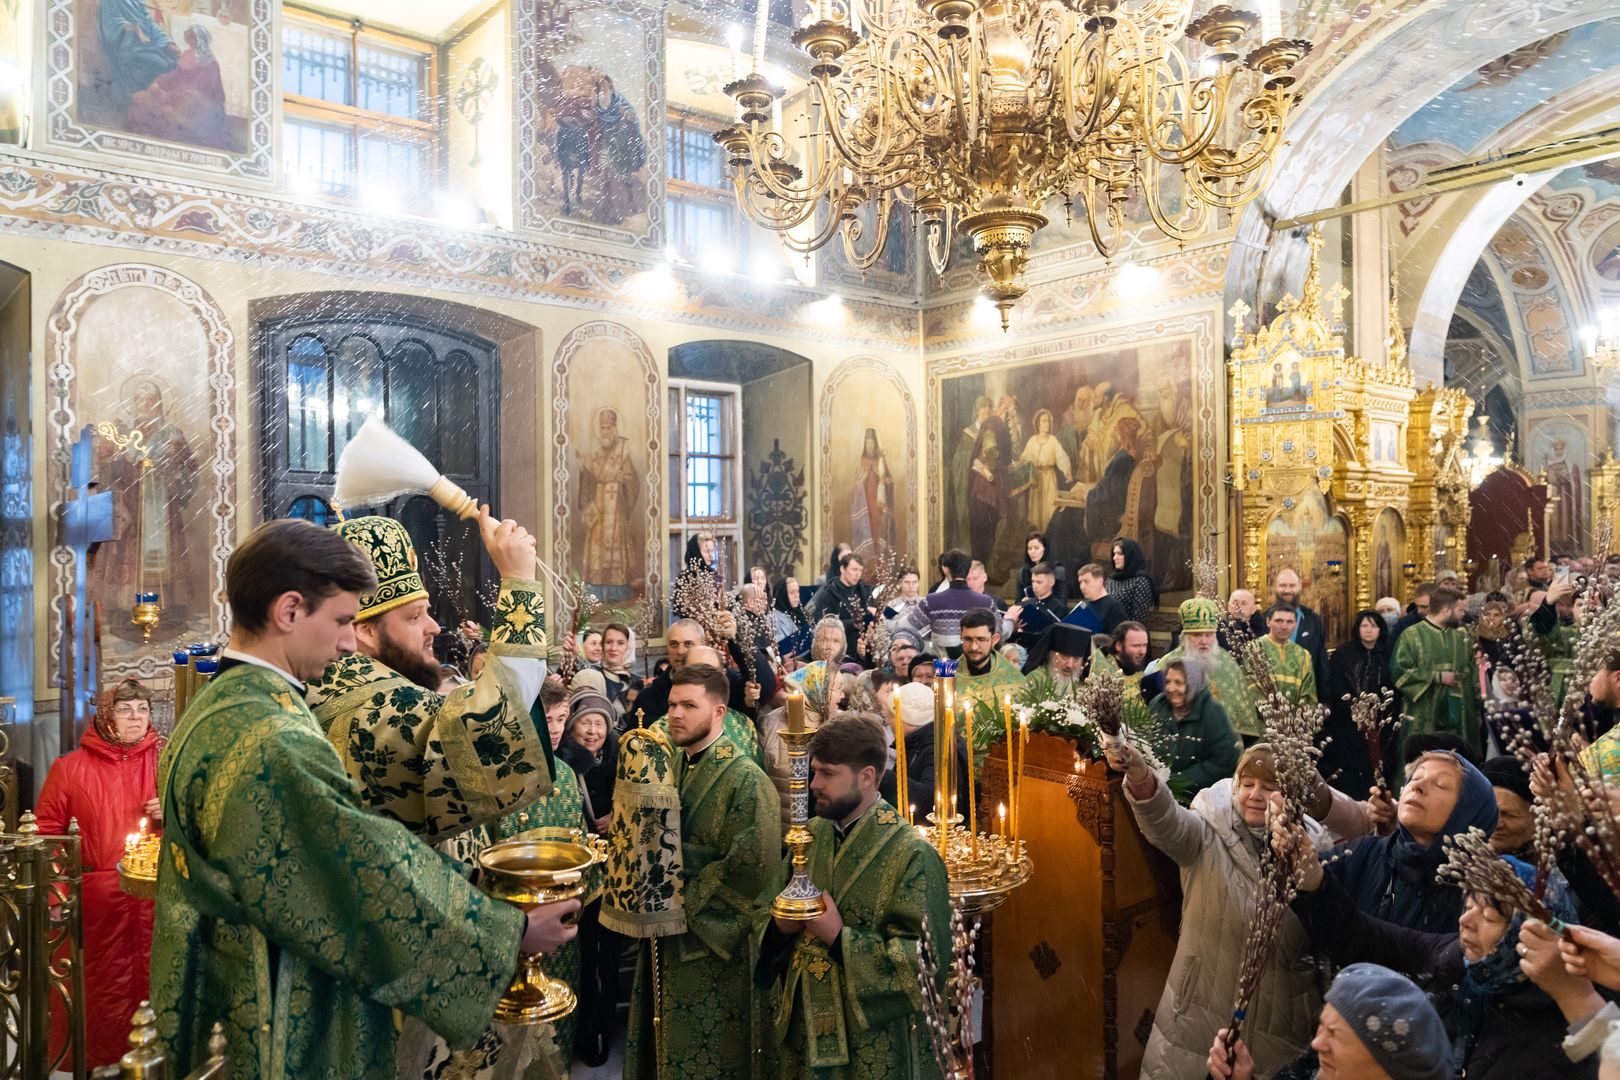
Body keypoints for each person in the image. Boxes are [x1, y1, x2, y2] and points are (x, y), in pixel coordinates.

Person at [150, 520, 578, 1075]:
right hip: (281, 1016)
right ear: (288, 611)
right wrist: (513, 932)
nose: (351, 642)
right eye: (343, 621)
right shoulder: (276, 740)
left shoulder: (219, 706)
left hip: (225, 997)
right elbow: (366, 876)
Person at [306, 513, 552, 844]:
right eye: (414, 616)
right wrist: (518, 580)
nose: (434, 627)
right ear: (364, 631)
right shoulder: (375, 706)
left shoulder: (327, 681)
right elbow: (492, 722)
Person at [1286, 832, 1596, 1080]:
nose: (1466, 921)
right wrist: (1313, 882)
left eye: (1489, 916)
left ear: (1528, 932)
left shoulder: (1564, 1037)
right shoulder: (1456, 961)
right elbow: (1366, 939)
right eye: (1469, 904)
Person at [1108, 741, 1335, 1076]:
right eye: (1247, 784)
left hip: (1280, 1028)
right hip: (1195, 1018)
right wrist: (1141, 777)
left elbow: (1328, 940)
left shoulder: (1314, 854)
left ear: (1293, 797)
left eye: (1270, 787)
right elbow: (1167, 824)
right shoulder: (1208, 832)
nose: (1255, 794)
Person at [756, 716, 951, 1078]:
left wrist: (838, 937)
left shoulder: (912, 854)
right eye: (813, 772)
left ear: (866, 776)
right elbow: (765, 918)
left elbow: (925, 967)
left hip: (872, 1047)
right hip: (804, 1037)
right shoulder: (810, 834)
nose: (813, 784)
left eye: (828, 774)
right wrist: (778, 927)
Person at [624, 664, 781, 1080]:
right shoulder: (669, 766)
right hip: (662, 933)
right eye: (673, 704)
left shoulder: (747, 781)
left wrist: (676, 897)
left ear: (718, 713)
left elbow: (752, 870)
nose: (675, 714)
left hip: (713, 952)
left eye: (689, 706)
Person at [35, 678, 163, 1068]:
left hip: (155, 898)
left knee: (155, 988)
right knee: (100, 1000)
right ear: (107, 716)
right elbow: (46, 834)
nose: (136, 717)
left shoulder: (168, 759)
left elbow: (206, 818)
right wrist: (56, 893)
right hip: (97, 905)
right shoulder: (70, 769)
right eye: (125, 709)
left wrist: (175, 810)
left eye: (142, 709)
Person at [1315, 750, 1498, 934]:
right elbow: (1304, 877)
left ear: (1467, 814)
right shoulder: (1364, 853)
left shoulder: (1477, 899)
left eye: (1440, 785)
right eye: (1416, 777)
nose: (1417, 785)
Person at [1207, 963, 1451, 1080]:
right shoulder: (1307, 1074)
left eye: (1334, 1034)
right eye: (1321, 1027)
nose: (1317, 1044)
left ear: (1386, 1065)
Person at [559, 687, 621, 1065]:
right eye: (586, 722)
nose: (593, 731)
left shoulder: (618, 761)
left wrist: (618, 815)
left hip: (614, 871)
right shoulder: (565, 764)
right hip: (580, 871)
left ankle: (604, 1025)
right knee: (584, 954)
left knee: (609, 954)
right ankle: (584, 1029)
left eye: (600, 723)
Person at [1150, 597, 1259, 743]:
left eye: (1209, 635)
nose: (1204, 641)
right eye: (1197, 635)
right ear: (1184, 637)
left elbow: (1243, 722)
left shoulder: (1227, 663)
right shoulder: (1166, 665)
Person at [1391, 584, 1482, 759]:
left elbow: (1473, 674)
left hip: (1460, 711)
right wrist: (1436, 676)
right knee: (1423, 759)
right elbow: (1399, 671)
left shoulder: (1462, 636)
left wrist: (1477, 708)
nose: (1464, 615)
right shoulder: (1412, 635)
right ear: (1447, 610)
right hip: (1424, 711)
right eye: (1461, 610)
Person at [1323, 610, 1396, 797]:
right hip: (1350, 720)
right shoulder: (1344, 653)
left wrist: (1379, 710)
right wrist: (1356, 708)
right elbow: (1337, 684)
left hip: (1381, 720)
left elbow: (1393, 684)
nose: (1369, 630)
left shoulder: (1387, 653)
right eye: (1364, 626)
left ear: (1380, 629)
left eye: (1373, 626)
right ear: (1358, 629)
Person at [1148, 657, 1240, 799]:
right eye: (1167, 682)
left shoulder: (1212, 712)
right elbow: (1143, 741)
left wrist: (1179, 781)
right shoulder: (1158, 705)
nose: (1171, 688)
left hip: (1197, 797)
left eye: (1178, 682)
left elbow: (1224, 760)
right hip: (1157, 791)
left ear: (1193, 683)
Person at [881, 681, 970, 825]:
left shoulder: (939, 747)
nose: (888, 722)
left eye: (890, 716)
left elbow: (931, 799)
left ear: (905, 718)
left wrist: (882, 776)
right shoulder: (917, 741)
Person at [907, 548, 997, 658]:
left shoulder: (931, 601)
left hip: (943, 668)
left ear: (945, 569)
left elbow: (906, 627)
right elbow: (1000, 633)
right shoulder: (987, 602)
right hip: (976, 668)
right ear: (968, 570)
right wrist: (1011, 621)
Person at [1250, 569, 1328, 689]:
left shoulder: (1313, 620)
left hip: (1306, 693)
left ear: (1299, 587)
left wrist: (1325, 701)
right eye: (1283, 585)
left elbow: (1321, 664)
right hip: (1270, 696)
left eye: (1292, 585)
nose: (1287, 590)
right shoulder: (1262, 620)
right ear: (1275, 587)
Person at [633, 618, 705, 725]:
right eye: (674, 644)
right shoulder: (648, 697)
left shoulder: (721, 686)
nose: (680, 651)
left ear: (703, 646)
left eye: (688, 644)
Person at [955, 608, 1026, 715]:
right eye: (968, 639)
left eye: (981, 639)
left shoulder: (1014, 680)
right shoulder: (947, 679)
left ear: (994, 639)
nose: (974, 647)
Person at [810, 552, 875, 657]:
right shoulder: (828, 593)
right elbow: (822, 624)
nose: (858, 574)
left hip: (864, 647)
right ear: (843, 569)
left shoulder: (864, 590)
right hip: (839, 650)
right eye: (854, 570)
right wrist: (854, 622)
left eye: (860, 570)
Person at [1259, 607, 1318, 710]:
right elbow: (1249, 689)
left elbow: (1309, 694)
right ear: (1268, 622)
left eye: (1290, 622)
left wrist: (1295, 718)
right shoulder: (1254, 649)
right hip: (1262, 720)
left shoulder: (1303, 655)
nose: (1284, 626)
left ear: (1296, 625)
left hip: (1294, 721)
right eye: (1278, 621)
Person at [1481, 755, 1536, 858]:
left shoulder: (1560, 867)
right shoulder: (1455, 864)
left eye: (1508, 814)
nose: (1495, 824)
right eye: (1487, 812)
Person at [850, 427, 895, 549]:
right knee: (867, 525)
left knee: (877, 525)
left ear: (875, 444)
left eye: (872, 443)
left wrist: (884, 482)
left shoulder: (880, 461)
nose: (870, 445)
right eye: (867, 443)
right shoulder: (861, 461)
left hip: (878, 503)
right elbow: (856, 483)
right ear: (864, 445)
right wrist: (862, 480)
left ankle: (878, 557)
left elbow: (889, 481)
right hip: (865, 503)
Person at [1007, 561, 1071, 646]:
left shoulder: (1060, 609)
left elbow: (1057, 638)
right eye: (1033, 581)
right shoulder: (1024, 604)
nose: (1034, 586)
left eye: (1039, 582)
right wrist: (1014, 627)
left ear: (1051, 582)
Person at [1020, 623, 1091, 694]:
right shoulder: (1036, 679)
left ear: (1082, 661)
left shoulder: (1085, 690)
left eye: (1076, 659)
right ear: (1051, 655)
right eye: (1064, 656)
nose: (1069, 665)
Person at [1108, 537, 1158, 624]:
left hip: (1129, 634)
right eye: (1114, 554)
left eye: (1119, 554)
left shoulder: (1141, 581)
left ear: (1129, 555)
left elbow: (1138, 619)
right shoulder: (1111, 580)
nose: (1115, 558)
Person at [1074, 561, 1127, 634]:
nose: (1082, 587)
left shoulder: (1114, 607)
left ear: (1100, 581)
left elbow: (1118, 638)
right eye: (1080, 582)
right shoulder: (1083, 606)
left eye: (1086, 581)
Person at [1017, 532, 1068, 604]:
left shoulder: (1057, 570)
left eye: (1036, 548)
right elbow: (1017, 601)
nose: (1032, 551)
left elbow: (1063, 602)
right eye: (1029, 548)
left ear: (1045, 549)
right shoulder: (1023, 572)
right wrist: (1022, 603)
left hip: (1052, 612)